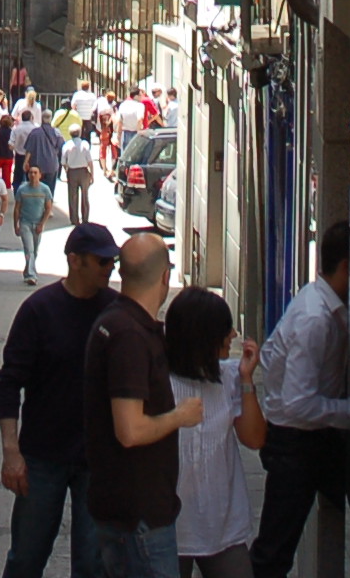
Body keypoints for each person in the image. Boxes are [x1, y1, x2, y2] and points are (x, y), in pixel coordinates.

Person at [0, 221, 121, 578]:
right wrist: (11, 452)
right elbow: (10, 382)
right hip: (42, 457)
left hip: (97, 459)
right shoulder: (39, 310)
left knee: (94, 564)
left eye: (112, 262)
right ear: (75, 260)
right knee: (26, 558)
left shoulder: (116, 311)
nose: (109, 269)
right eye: (102, 261)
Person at [249, 221, 350, 578]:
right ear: (346, 267)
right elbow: (297, 403)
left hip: (314, 435)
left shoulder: (322, 301)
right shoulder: (316, 317)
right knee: (274, 549)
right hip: (295, 440)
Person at [83, 231, 201, 577]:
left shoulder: (116, 322)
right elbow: (130, 430)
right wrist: (180, 416)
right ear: (165, 277)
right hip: (139, 518)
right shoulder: (129, 336)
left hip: (125, 509)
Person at [164, 287, 267, 576]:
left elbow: (254, 438)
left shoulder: (230, 376)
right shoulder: (159, 383)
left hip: (223, 524)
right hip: (169, 527)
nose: (233, 335)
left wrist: (246, 379)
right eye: (226, 330)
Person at [12, 164, 53, 283]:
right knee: (29, 249)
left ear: (40, 175)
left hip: (37, 224)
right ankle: (31, 275)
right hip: (25, 223)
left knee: (34, 251)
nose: (33, 175)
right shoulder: (22, 189)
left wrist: (42, 224)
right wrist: (16, 225)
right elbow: (17, 208)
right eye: (31, 172)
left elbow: (48, 208)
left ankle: (27, 270)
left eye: (35, 172)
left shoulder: (45, 189)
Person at [19, 108, 66, 201]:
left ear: (41, 118)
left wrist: (25, 162)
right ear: (51, 119)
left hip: (37, 165)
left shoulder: (34, 132)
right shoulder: (56, 132)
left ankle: (37, 204)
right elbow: (61, 146)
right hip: (51, 164)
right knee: (49, 189)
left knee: (35, 188)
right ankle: (48, 205)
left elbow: (29, 150)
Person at [63, 124, 99, 225]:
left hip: (72, 171)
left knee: (72, 196)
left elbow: (63, 162)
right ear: (80, 133)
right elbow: (90, 161)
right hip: (84, 171)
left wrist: (67, 171)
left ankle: (74, 219)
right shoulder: (85, 144)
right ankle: (85, 218)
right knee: (85, 195)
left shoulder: (66, 145)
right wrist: (92, 174)